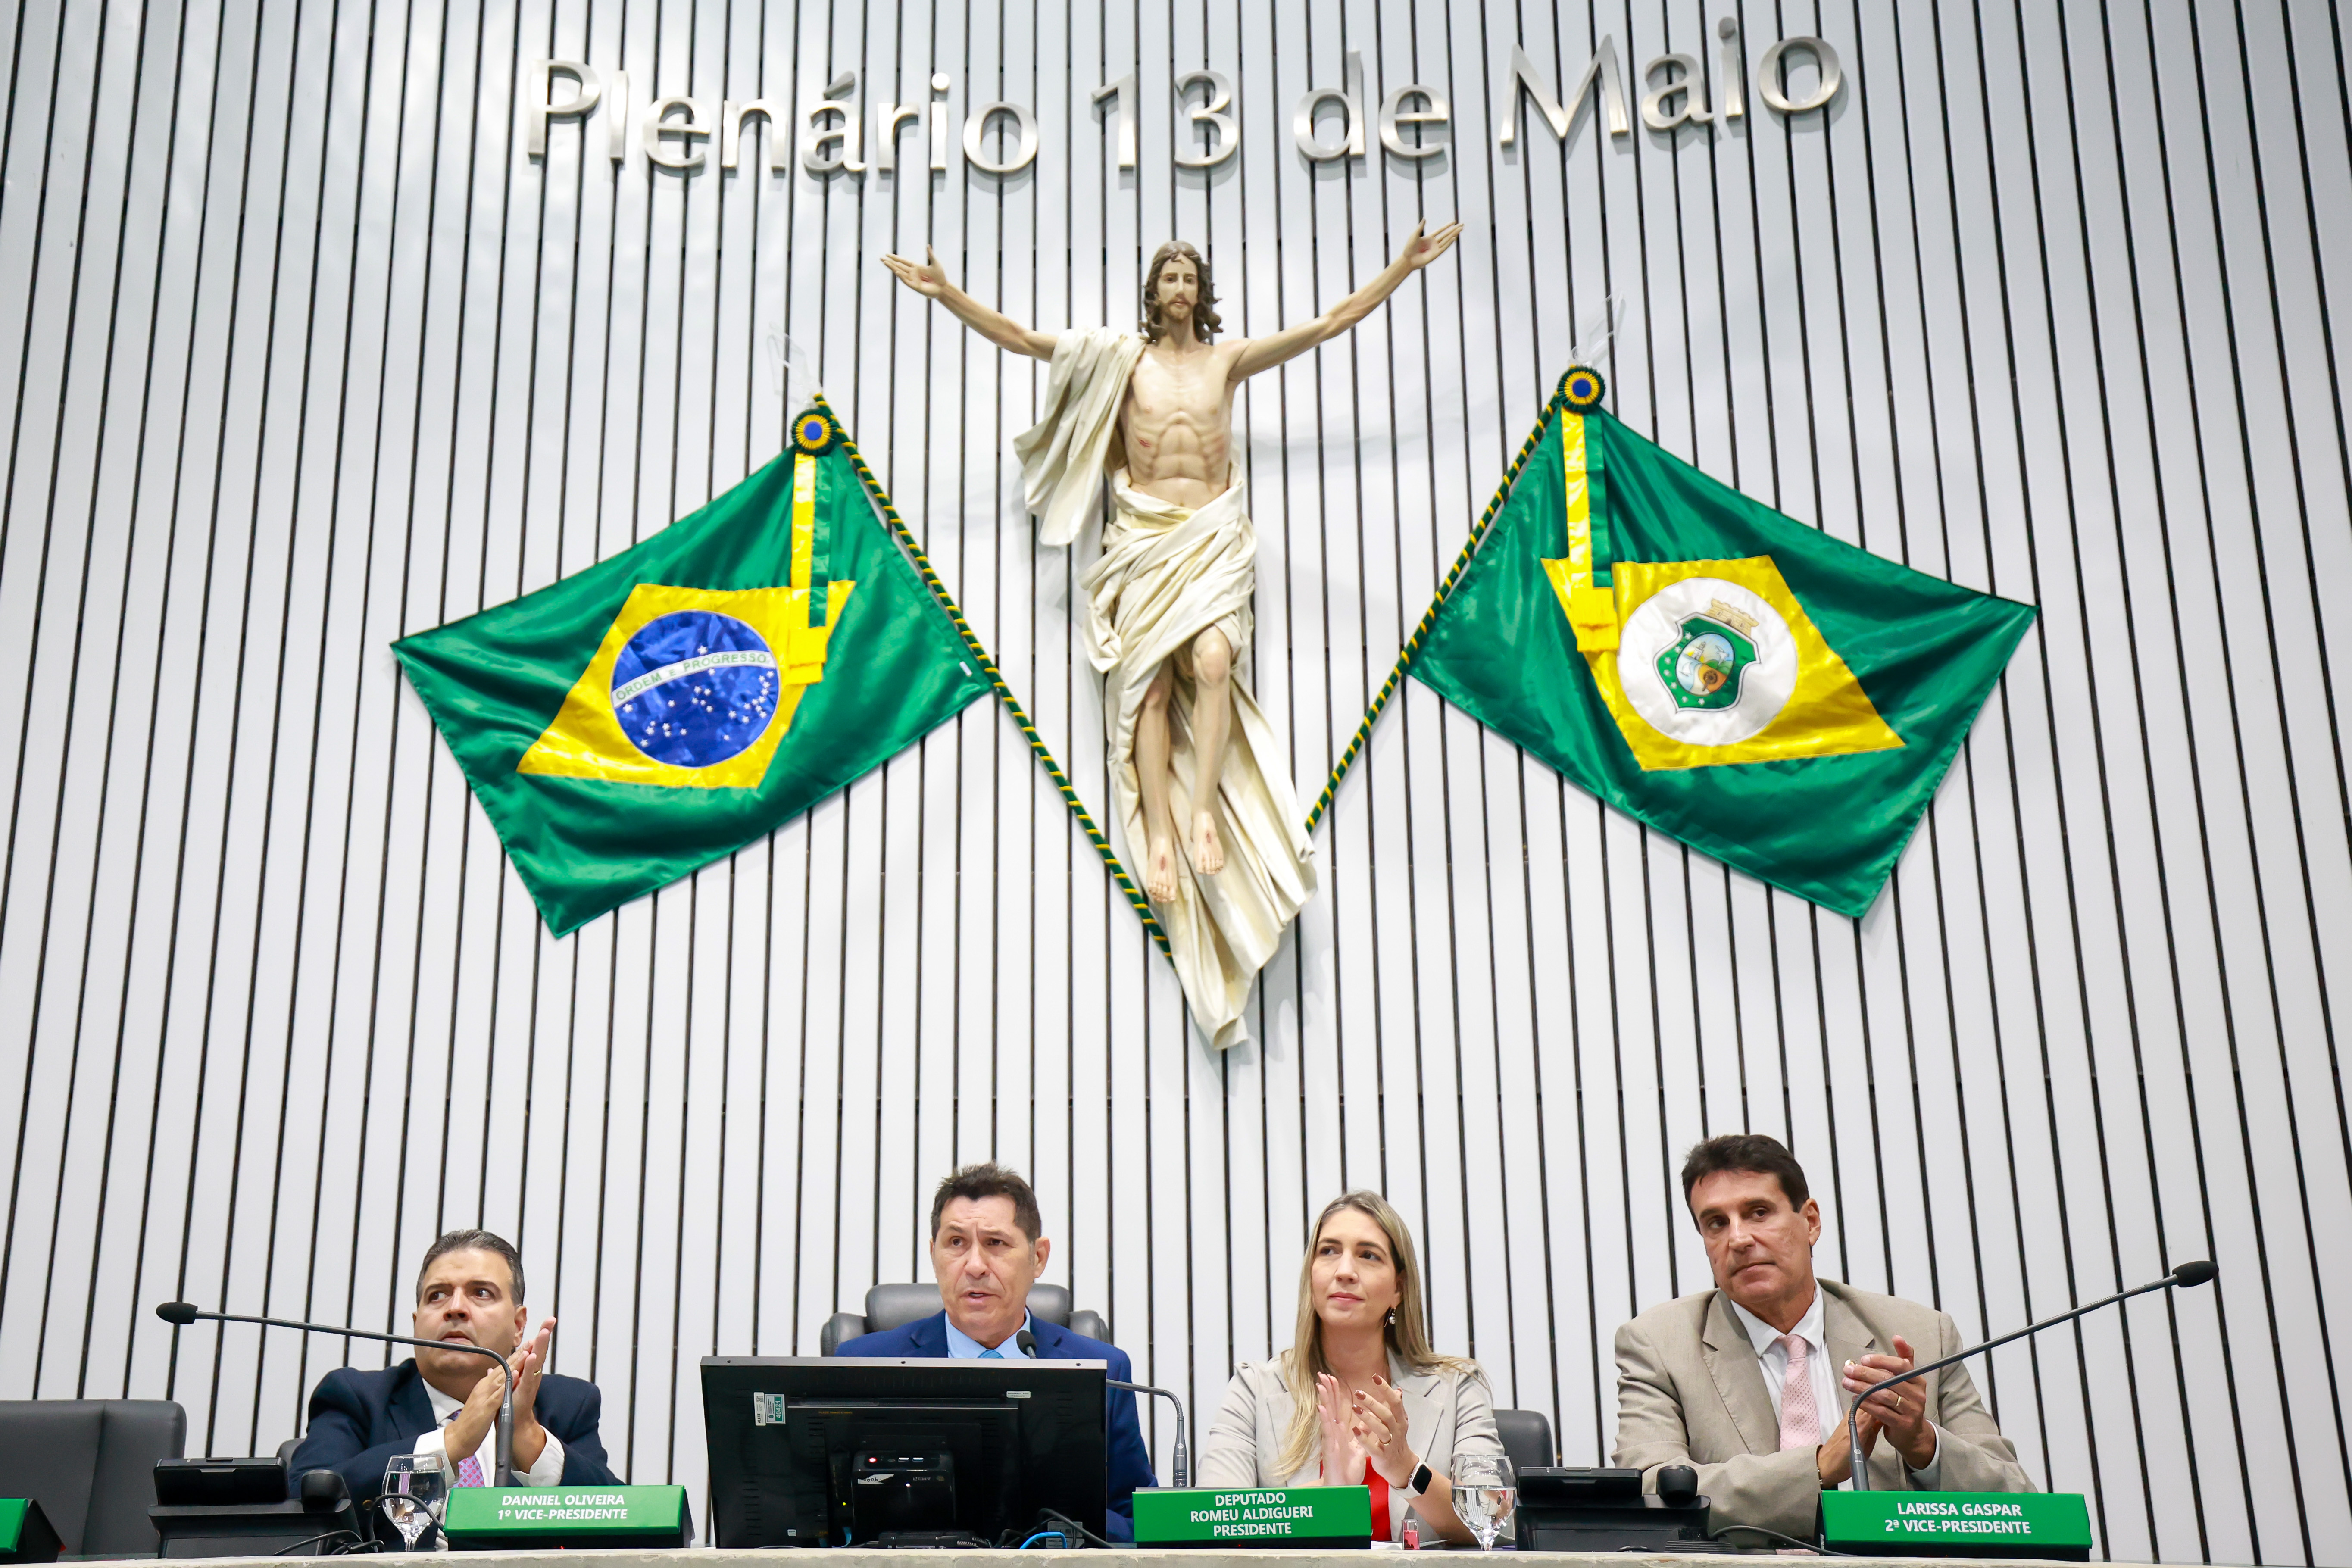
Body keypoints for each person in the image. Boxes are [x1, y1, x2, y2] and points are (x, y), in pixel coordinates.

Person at [879, 227, 1459, 1050]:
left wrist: (1399, 269)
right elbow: (1019, 338)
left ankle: (1201, 817)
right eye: (1169, 274)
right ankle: (1157, 831)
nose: (1181, 284)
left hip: (1213, 533)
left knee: (1215, 659)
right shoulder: (1120, 360)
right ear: (1152, 291)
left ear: (1201, 289)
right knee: (1147, 687)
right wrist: (948, 293)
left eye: (1191, 273)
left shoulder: (1225, 362)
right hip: (1146, 536)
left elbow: (1330, 325)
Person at [1613, 1135, 2033, 1543]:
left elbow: (2019, 1503)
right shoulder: (1660, 1344)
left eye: (1758, 1212)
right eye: (1716, 1223)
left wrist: (1923, 1443)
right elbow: (1651, 1490)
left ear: (1810, 1221)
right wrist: (1818, 1465)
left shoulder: (1922, 1333)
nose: (1738, 1238)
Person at [837, 1163, 1155, 1540]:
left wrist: (1072, 1517)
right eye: (956, 1243)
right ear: (933, 1254)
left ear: (1037, 1257)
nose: (974, 1266)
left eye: (995, 1243)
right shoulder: (865, 1363)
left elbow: (1137, 1519)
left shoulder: (1102, 1367)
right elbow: (823, 1518)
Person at [1197, 1192, 1501, 1543]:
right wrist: (1327, 1494)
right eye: (1328, 1251)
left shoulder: (1458, 1387)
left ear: (1398, 1289)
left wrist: (1406, 1470)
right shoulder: (1253, 1389)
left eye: (1368, 1255)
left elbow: (1493, 1518)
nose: (1344, 1271)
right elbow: (1213, 1527)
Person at [288, 1229, 617, 1504]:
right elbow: (305, 1500)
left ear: (518, 1326)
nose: (455, 1308)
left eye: (481, 1293)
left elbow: (625, 1522)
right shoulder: (357, 1397)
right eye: (437, 1296)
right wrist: (451, 1443)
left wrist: (528, 1438)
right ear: (417, 1324)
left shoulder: (567, 1405)